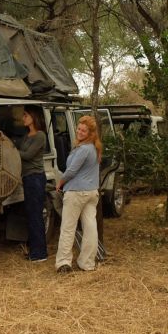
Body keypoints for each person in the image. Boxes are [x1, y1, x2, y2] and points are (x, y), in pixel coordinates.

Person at [54, 115, 102, 273]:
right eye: (79, 128)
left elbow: (71, 171)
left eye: (84, 130)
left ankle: (63, 263)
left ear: (90, 133)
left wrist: (60, 182)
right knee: (90, 228)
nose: (80, 132)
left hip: (76, 192)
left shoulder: (82, 149)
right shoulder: (94, 148)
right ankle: (87, 263)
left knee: (68, 227)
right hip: (91, 193)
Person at [16, 106, 48, 262]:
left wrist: (12, 150)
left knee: (36, 215)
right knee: (31, 214)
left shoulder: (40, 136)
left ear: (33, 117)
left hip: (35, 178)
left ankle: (40, 253)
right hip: (28, 178)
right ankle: (34, 250)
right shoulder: (26, 136)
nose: (23, 118)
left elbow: (27, 155)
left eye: (25, 115)